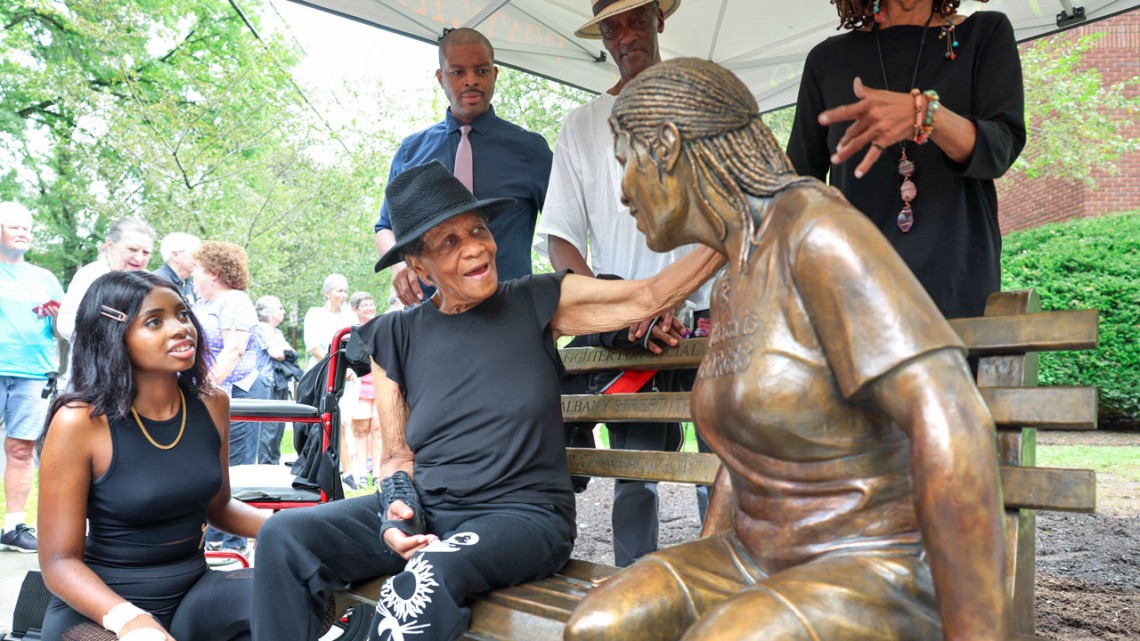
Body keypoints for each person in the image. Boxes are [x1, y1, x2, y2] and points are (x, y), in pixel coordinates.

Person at [564, 57, 1006, 641]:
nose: (622, 192)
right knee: (600, 625)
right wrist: (694, 575)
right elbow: (741, 458)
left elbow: (952, 418)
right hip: (753, 557)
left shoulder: (817, 233)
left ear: (667, 146)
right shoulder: (730, 279)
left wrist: (976, 630)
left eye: (625, 163)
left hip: (870, 564)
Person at [251, 161, 724, 641]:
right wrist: (397, 514)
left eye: (477, 229)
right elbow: (396, 456)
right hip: (432, 509)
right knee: (284, 537)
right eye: (450, 242)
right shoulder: (394, 334)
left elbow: (649, 296)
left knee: (421, 581)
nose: (476, 246)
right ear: (417, 266)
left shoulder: (538, 299)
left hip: (524, 517)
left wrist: (736, 227)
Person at [534, 0, 712, 566]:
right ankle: (637, 590)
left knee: (723, 468)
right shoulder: (582, 126)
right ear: (603, 36)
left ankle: (727, 589)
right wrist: (616, 312)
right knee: (635, 476)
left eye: (638, 18)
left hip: (706, 318)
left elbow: (737, 215)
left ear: (660, 19)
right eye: (614, 25)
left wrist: (671, 296)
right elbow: (560, 238)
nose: (626, 34)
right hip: (630, 335)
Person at [37, 270, 267, 641]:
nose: (180, 328)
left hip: (194, 591)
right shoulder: (79, 422)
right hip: (101, 605)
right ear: (113, 335)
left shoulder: (212, 403)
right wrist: (130, 621)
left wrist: (288, 532)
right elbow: (58, 562)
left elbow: (219, 507)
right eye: (154, 321)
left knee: (305, 593)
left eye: (182, 314)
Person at [786, 0, 1024, 320]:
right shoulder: (827, 60)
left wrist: (927, 115)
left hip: (955, 287)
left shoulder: (984, 33)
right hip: (854, 292)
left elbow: (1000, 150)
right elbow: (797, 188)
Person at [375, 27, 552, 307]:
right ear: (440, 77)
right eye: (458, 72)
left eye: (481, 71)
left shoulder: (531, 150)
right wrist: (399, 265)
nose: (471, 81)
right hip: (433, 315)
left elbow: (562, 229)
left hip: (512, 310)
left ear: (494, 74)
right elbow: (385, 227)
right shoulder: (411, 151)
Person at [192, 241, 265, 553]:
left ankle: (232, 543)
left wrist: (203, 388)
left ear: (215, 274)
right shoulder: (203, 303)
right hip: (209, 397)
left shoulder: (235, 301)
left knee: (232, 469)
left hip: (235, 394)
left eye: (198, 269)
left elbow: (233, 350)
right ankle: (212, 537)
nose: (192, 275)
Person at [0, 202, 63, 553]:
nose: (24, 232)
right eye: (15, 227)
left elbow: (62, 329)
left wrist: (55, 315)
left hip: (33, 373)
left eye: (28, 228)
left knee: (21, 449)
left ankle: (12, 527)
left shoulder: (44, 278)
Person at [57, 216, 156, 342]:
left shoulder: (151, 283)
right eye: (132, 249)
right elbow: (66, 324)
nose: (140, 258)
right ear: (110, 245)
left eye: (146, 252)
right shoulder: (88, 276)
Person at [302, 273, 358, 486]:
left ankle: (348, 472)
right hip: (321, 375)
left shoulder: (349, 317)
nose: (343, 295)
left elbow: (354, 346)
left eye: (345, 290)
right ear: (327, 293)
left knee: (342, 423)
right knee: (322, 421)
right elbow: (313, 347)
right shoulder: (315, 314)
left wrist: (347, 369)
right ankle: (320, 467)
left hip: (346, 376)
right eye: (338, 290)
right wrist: (336, 369)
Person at [252, 295, 300, 465]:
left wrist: (287, 354)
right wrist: (286, 354)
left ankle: (274, 461)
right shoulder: (260, 328)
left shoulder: (276, 332)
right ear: (268, 312)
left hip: (279, 382)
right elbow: (278, 353)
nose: (283, 311)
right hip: (267, 381)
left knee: (278, 426)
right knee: (268, 427)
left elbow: (290, 353)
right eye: (280, 308)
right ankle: (266, 464)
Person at [348, 291, 380, 483]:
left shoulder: (381, 326)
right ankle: (360, 473)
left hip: (379, 383)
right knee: (360, 430)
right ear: (355, 310)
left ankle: (377, 473)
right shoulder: (352, 330)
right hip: (360, 385)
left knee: (378, 429)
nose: (369, 308)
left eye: (371, 304)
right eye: (364, 305)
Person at [152, 232, 201, 304]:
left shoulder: (190, 284)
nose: (198, 259)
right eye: (194, 254)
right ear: (175, 256)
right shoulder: (157, 282)